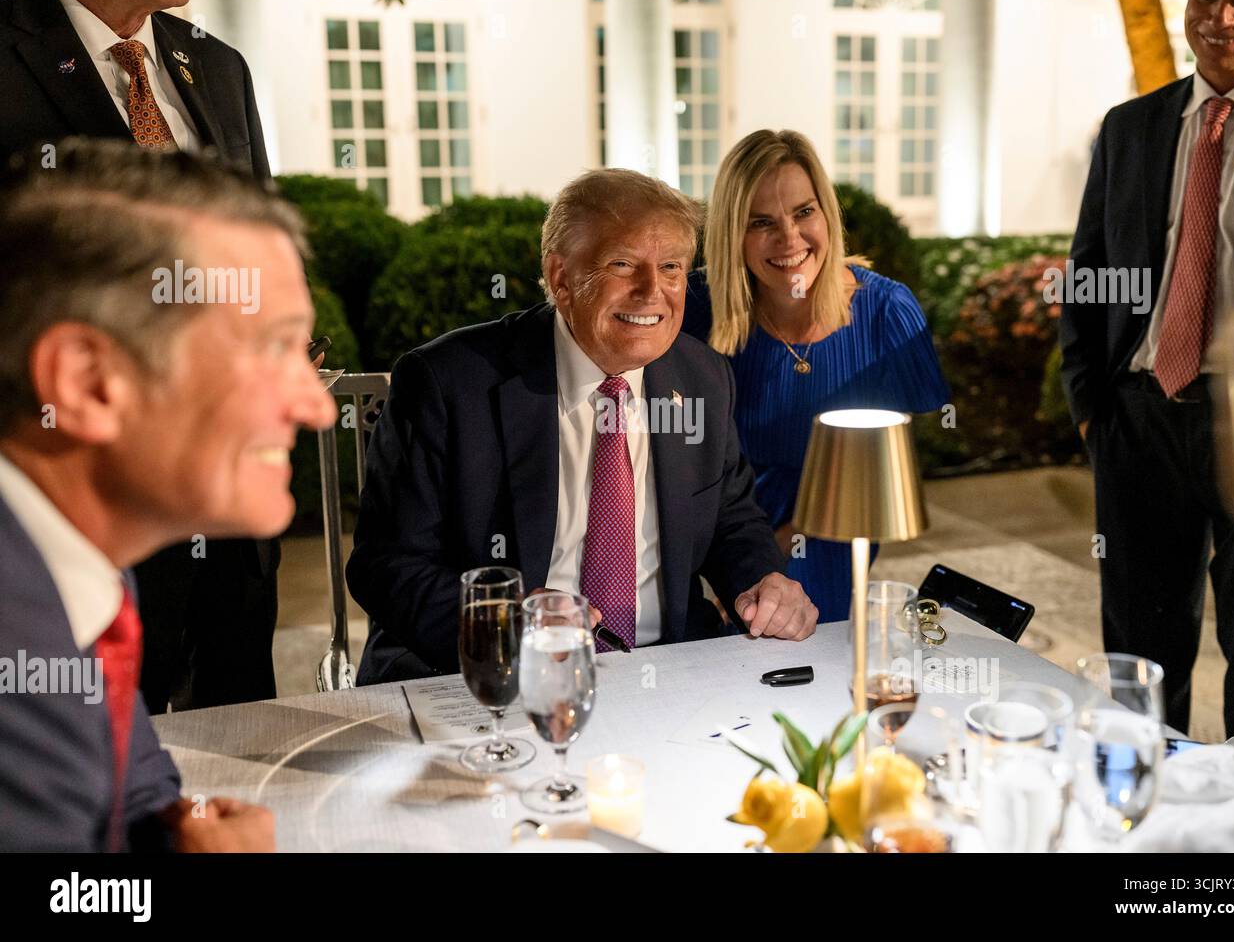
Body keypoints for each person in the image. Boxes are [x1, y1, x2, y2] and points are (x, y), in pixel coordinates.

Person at [347, 168, 818, 684]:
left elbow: (730, 518)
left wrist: (763, 580)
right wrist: (502, 621)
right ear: (560, 278)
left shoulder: (704, 378)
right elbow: (386, 566)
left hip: (668, 674)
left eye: (671, 268)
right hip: (497, 676)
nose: (651, 291)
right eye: (623, 264)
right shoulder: (449, 383)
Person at [0, 138, 336, 850]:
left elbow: (132, 785)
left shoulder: (75, 550)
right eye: (274, 348)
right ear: (89, 382)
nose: (318, 407)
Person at [0, 0, 283, 712]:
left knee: (240, 716)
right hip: (81, 486)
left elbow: (257, 231)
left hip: (220, 485)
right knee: (100, 733)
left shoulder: (216, 66)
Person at [1059, 0, 1234, 736]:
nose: (1220, 17)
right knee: (1137, 657)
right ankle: (1144, 820)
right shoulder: (1131, 127)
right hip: (1138, 423)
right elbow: (1089, 271)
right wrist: (1092, 410)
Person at [682, 130, 949, 623]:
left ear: (826, 212)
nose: (789, 239)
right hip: (719, 546)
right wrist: (730, 569)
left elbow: (891, 470)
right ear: (731, 235)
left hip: (834, 534)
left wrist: (785, 548)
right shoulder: (696, 311)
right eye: (761, 222)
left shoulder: (887, 313)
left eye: (804, 212)